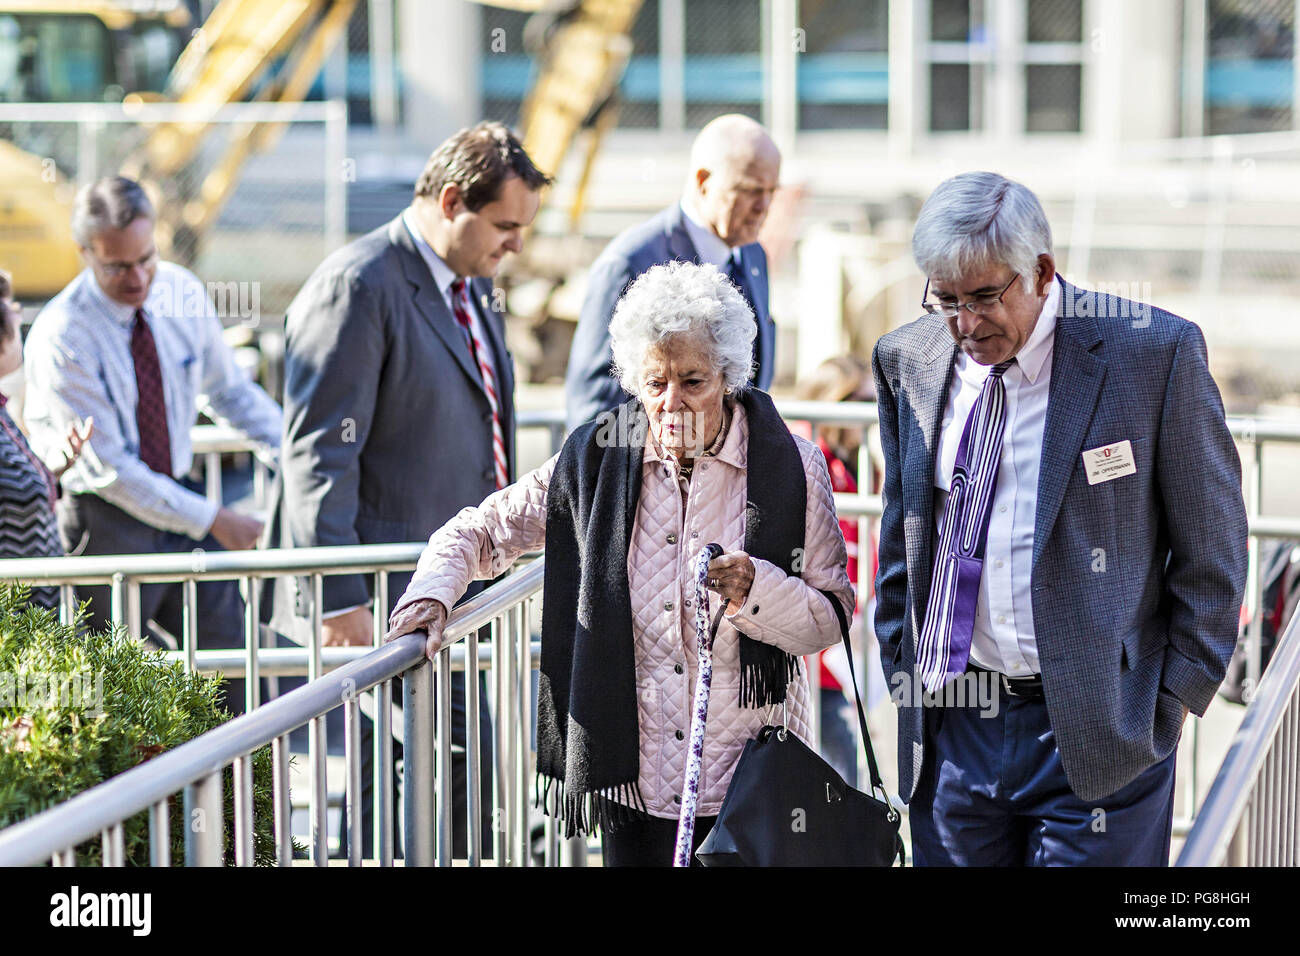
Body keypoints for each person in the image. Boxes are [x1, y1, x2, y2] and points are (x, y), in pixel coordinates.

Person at [387, 261, 854, 867]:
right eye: (655, 382)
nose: (672, 403)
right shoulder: (597, 459)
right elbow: (482, 528)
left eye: (693, 380)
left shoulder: (795, 464)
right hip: (633, 782)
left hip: (753, 781)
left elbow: (830, 617)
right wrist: (430, 597)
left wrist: (755, 590)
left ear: (728, 377)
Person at [872, 171, 1248, 866]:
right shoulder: (909, 358)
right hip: (955, 723)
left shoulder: (1151, 354)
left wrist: (1172, 699)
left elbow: (1214, 547)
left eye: (985, 297)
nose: (966, 324)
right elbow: (903, 527)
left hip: (1104, 727)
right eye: (946, 300)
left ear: (1042, 271)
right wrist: (901, 651)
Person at [277, 121, 551, 859]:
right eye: (504, 226)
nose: (516, 246)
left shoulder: (471, 286)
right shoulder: (360, 285)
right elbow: (317, 454)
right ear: (453, 200)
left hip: (454, 584)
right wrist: (339, 597)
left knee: (460, 782)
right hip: (386, 594)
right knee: (395, 783)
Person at [23, 177, 281, 713]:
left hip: (182, 503)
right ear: (85, 252)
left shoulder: (181, 291)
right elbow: (112, 470)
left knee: (233, 672)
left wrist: (295, 455)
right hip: (105, 522)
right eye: (118, 267)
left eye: (147, 258)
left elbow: (230, 391)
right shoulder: (61, 335)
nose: (137, 277)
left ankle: (238, 791)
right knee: (98, 697)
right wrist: (215, 519)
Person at [565, 114, 781, 431]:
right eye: (749, 190)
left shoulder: (753, 256)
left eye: (772, 191)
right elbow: (594, 407)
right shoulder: (630, 262)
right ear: (703, 181)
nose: (764, 206)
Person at [0, 270, 92, 609]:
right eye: (7, 305)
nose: (16, 311)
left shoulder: (4, 412)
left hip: (35, 628)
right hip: (17, 635)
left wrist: (53, 468)